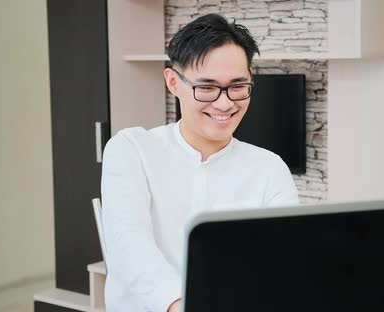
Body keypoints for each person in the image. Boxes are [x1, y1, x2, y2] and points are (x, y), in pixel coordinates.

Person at [101, 14, 299, 312]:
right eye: (206, 88)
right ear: (173, 82)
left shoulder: (269, 168)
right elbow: (129, 246)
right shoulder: (132, 149)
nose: (225, 103)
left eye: (238, 86)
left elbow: (284, 258)